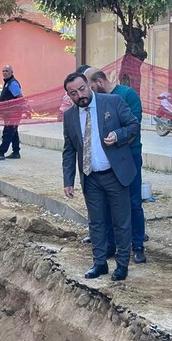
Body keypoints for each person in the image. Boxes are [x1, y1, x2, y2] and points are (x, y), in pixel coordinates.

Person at [61, 71, 140, 281]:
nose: (80, 95)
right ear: (69, 96)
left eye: (82, 89)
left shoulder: (112, 102)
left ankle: (122, 265)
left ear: (89, 85)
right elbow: (69, 150)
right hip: (90, 177)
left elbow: (133, 125)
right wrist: (68, 180)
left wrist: (119, 135)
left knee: (121, 222)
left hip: (115, 175)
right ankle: (99, 263)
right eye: (73, 93)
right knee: (96, 222)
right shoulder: (69, 116)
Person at [85, 68, 147, 263]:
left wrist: (117, 141)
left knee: (134, 202)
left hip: (130, 156)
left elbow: (133, 126)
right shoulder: (95, 102)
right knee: (109, 202)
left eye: (91, 87)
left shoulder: (127, 95)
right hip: (107, 160)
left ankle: (137, 246)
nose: (90, 92)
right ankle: (113, 244)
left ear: (100, 82)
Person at [0, 65, 23, 161]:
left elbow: (19, 97)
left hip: (13, 114)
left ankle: (1, 153)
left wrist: (13, 109)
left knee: (7, 132)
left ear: (12, 72)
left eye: (7, 71)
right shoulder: (7, 83)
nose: (4, 72)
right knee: (13, 133)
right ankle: (16, 152)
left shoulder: (12, 83)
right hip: (9, 114)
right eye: (3, 71)